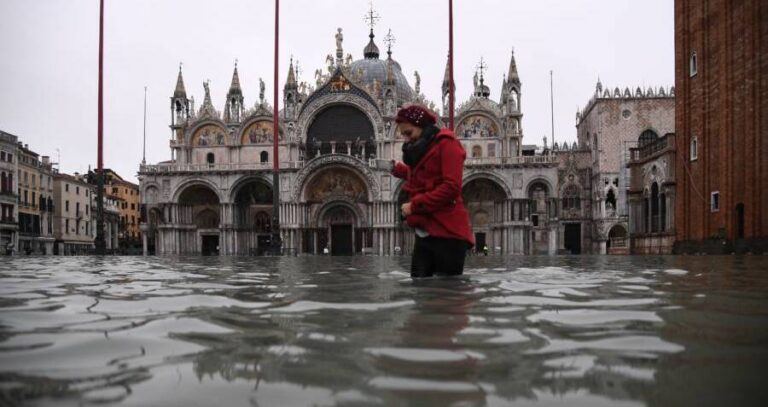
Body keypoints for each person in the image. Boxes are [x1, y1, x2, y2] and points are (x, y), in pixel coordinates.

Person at [391, 104, 474, 278]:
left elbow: (451, 187)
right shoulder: (424, 148)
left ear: (422, 126)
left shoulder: (447, 144)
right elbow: (427, 175)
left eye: (409, 133)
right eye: (403, 134)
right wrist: (396, 169)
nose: (406, 139)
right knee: (420, 290)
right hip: (425, 231)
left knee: (446, 294)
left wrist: (414, 206)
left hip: (448, 233)